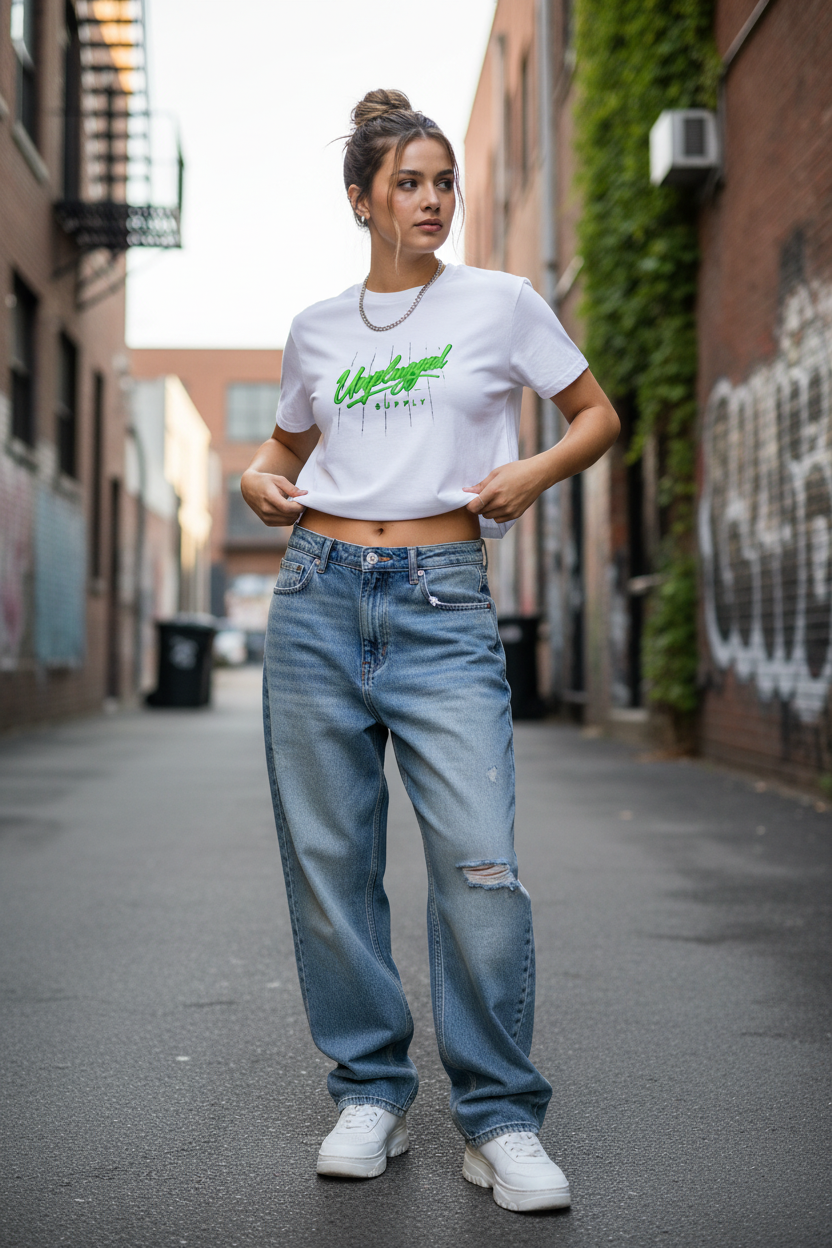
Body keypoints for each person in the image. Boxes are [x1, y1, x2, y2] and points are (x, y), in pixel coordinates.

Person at [242, 88, 619, 1214]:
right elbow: (283, 445)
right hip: (316, 594)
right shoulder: (317, 328)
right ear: (359, 199)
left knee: (479, 863)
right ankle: (369, 1093)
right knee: (330, 864)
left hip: (441, 599)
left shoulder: (500, 304)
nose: (432, 201)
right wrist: (258, 480)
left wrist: (530, 474)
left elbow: (596, 414)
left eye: (443, 181)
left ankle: (499, 1119)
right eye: (407, 184)